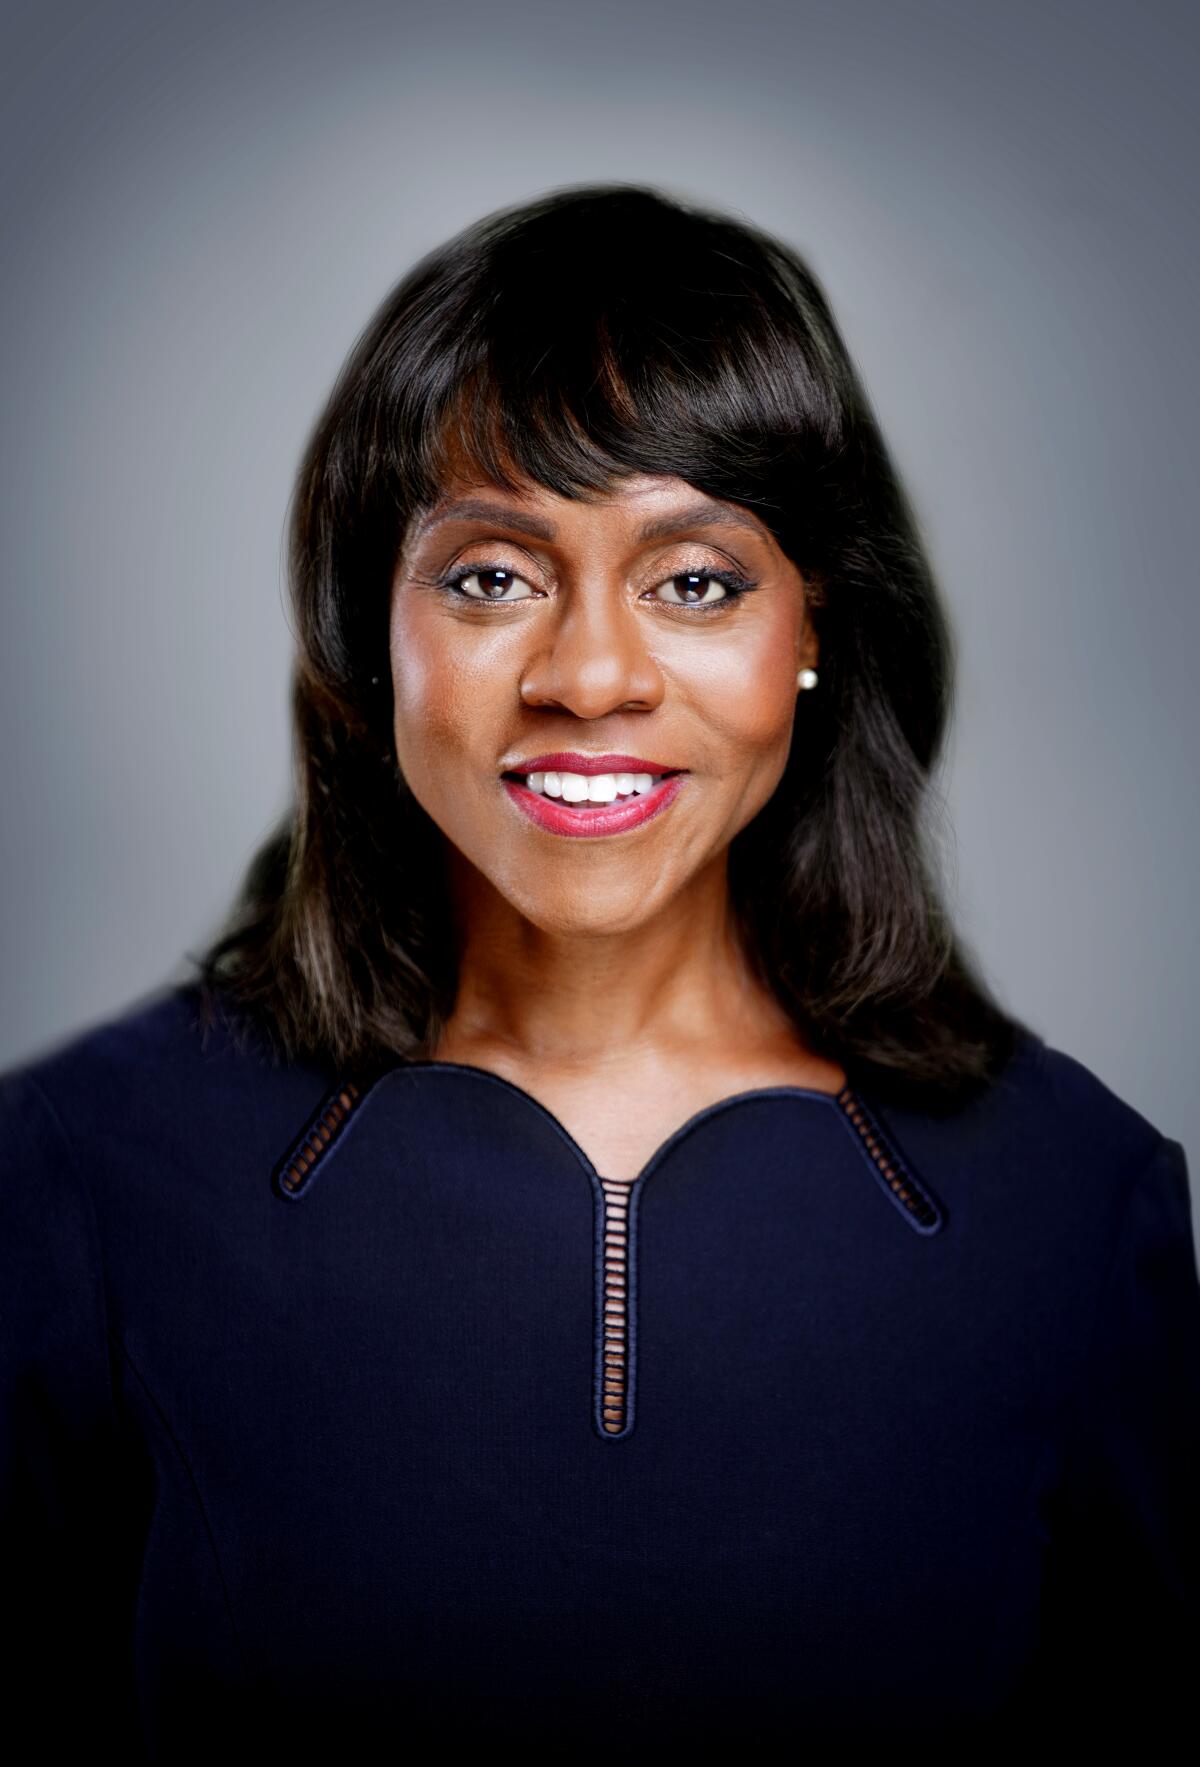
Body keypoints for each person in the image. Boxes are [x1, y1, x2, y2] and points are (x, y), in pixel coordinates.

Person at [2, 182, 1197, 1756]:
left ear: (813, 630)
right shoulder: (84, 1174)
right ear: (374, 630)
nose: (589, 676)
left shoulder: (1077, 1204)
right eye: (492, 573)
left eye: (695, 579)